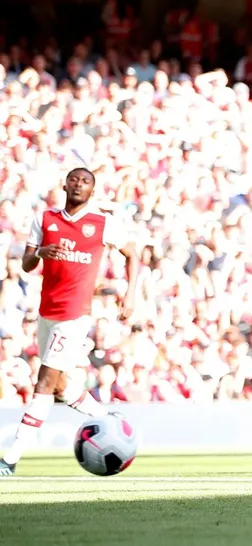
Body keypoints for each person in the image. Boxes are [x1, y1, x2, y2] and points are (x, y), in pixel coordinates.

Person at [0, 168, 138, 475]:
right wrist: (42, 254)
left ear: (93, 190)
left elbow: (133, 255)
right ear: (65, 185)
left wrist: (130, 297)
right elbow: (26, 263)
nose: (79, 185)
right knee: (61, 386)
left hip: (74, 316)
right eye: (74, 180)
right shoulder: (45, 219)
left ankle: (9, 460)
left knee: (45, 383)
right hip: (46, 312)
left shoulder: (102, 223)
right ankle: (108, 419)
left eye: (85, 182)